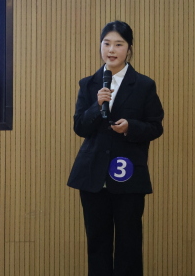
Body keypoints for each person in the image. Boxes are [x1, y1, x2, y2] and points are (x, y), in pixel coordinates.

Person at [67, 21, 164, 276]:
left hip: (128, 175)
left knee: (129, 244)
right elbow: (80, 127)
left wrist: (131, 126)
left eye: (118, 44)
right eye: (107, 43)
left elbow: (155, 127)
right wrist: (95, 106)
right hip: (93, 176)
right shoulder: (89, 84)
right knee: (97, 244)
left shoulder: (143, 85)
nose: (111, 50)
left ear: (129, 48)